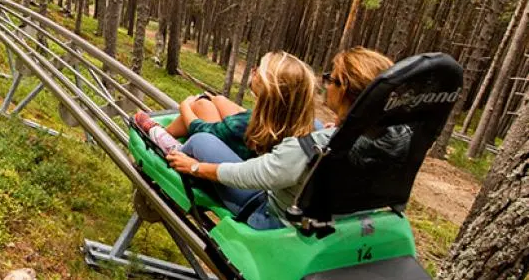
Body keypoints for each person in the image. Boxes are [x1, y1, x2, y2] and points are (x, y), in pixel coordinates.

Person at [167, 47, 395, 230]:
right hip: (336, 219)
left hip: (273, 220)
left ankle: (165, 150)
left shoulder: (308, 146)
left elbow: (252, 174)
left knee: (202, 141)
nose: (326, 83)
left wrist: (196, 167)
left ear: (344, 89)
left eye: (331, 78)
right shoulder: (391, 140)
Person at [134, 51, 314, 160]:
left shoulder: (248, 126)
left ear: (269, 88)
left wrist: (185, 106)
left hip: (232, 162)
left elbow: (201, 129)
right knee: (214, 101)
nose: (253, 70)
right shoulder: (290, 121)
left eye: (258, 70)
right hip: (250, 157)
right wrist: (217, 101)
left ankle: (163, 137)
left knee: (201, 106)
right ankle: (167, 131)